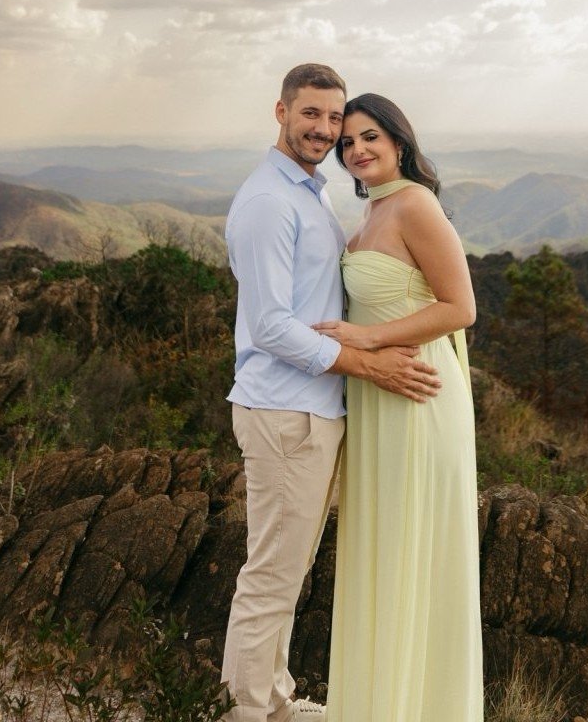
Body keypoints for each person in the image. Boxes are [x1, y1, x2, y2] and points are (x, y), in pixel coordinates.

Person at [221, 65, 441, 722]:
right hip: (285, 411)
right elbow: (270, 326)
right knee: (271, 577)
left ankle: (273, 700)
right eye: (309, 114)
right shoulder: (269, 202)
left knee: (284, 572)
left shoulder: (308, 193)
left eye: (333, 118)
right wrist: (368, 365)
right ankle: (250, 712)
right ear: (281, 112)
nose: (323, 129)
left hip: (308, 409)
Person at [315, 93, 484, 722]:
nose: (357, 150)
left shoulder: (415, 204)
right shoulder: (372, 210)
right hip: (377, 400)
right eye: (347, 143)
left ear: (399, 141)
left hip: (417, 396)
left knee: (413, 552)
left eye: (370, 137)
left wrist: (367, 339)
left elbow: (460, 308)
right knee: (384, 552)